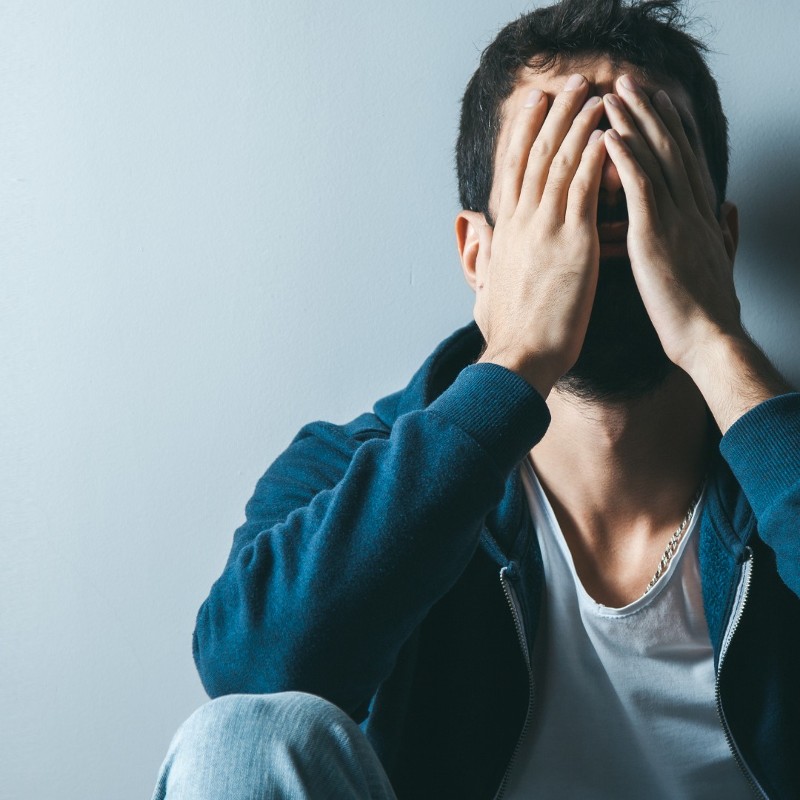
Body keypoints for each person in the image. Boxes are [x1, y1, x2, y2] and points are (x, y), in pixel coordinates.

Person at [152, 0, 800, 797]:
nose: (600, 235)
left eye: (641, 191)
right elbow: (252, 667)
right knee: (239, 740)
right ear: (477, 252)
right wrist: (518, 357)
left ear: (720, 240)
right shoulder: (357, 467)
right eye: (550, 196)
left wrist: (715, 344)